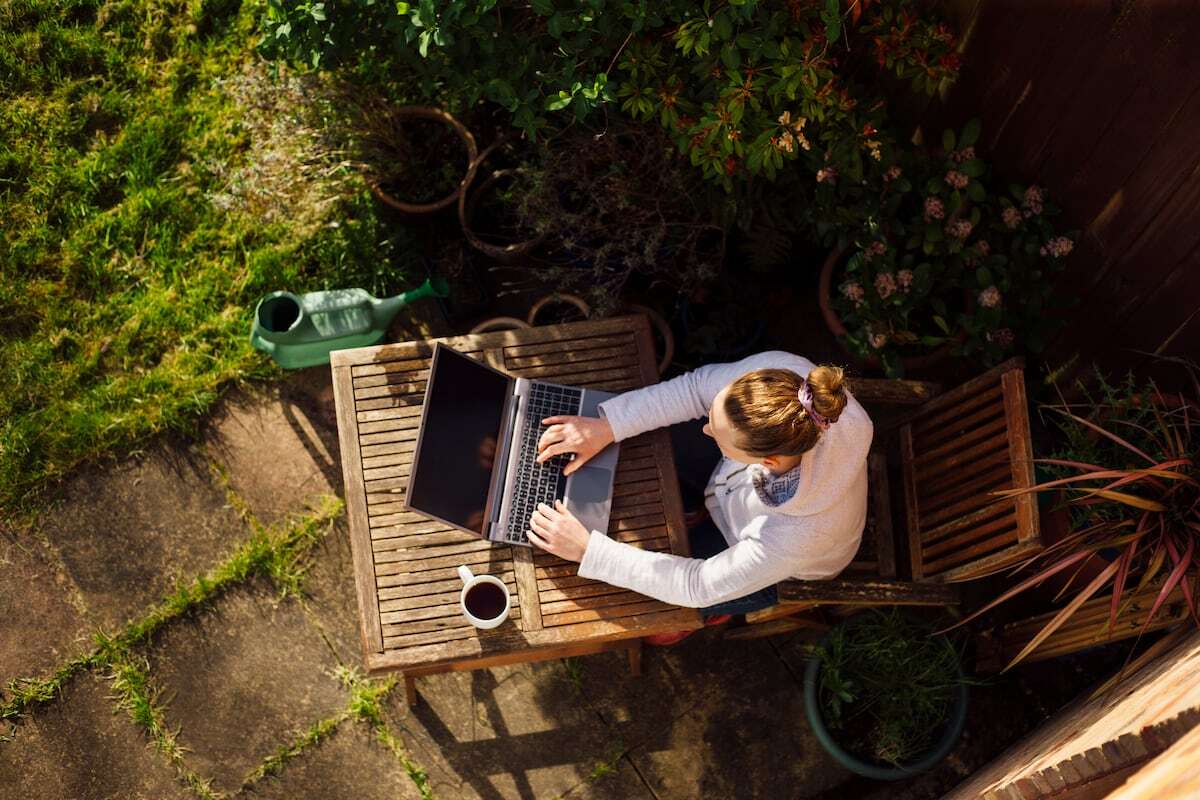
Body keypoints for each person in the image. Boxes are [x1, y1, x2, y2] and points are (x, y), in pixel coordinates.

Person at [525, 350, 873, 645]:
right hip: (735, 488)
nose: (706, 429)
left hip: (777, 562)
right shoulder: (782, 382)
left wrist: (589, 551)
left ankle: (719, 611)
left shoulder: (797, 536)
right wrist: (607, 426)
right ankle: (700, 504)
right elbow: (694, 389)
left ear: (768, 462)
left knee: (653, 616)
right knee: (656, 441)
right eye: (712, 419)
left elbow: (698, 583)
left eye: (718, 436)